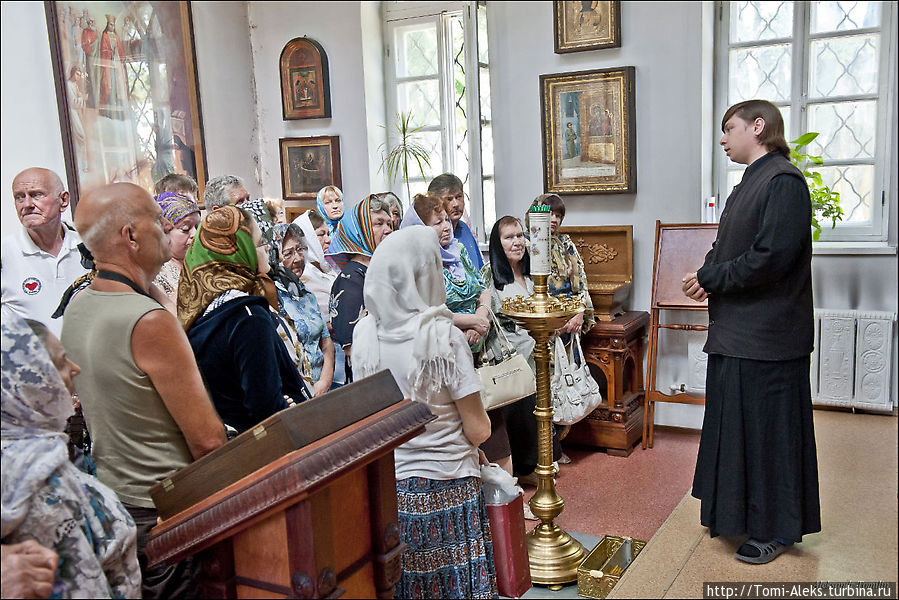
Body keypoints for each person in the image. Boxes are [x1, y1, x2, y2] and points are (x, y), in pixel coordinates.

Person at [61, 182, 227, 599]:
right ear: (130, 236)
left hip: (118, 501)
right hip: (166, 510)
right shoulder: (148, 321)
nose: (165, 229)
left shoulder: (80, 304)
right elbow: (207, 440)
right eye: (157, 220)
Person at [683, 99, 820, 565]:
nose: (723, 139)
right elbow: (726, 247)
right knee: (738, 429)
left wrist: (713, 278)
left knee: (769, 436)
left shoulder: (783, 181)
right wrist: (705, 273)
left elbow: (771, 258)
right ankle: (737, 514)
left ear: (758, 127)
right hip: (739, 335)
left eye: (730, 128)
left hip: (769, 339)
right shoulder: (749, 183)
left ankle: (774, 528)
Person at [352, 226, 497, 599]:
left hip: (394, 491)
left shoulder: (366, 335)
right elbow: (478, 430)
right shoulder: (442, 338)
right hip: (450, 485)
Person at [2, 315, 141, 598]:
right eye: (61, 363)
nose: (75, 369)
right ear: (34, 386)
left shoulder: (27, 456)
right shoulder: (40, 484)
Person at [178, 206, 310, 433]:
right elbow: (265, 406)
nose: (267, 248)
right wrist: (287, 404)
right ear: (238, 251)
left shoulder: (205, 308)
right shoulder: (247, 317)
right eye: (259, 243)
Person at [482, 217, 540, 494]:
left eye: (520, 236)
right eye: (509, 237)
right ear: (497, 243)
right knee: (514, 418)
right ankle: (516, 473)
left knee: (533, 415)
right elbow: (488, 317)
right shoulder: (490, 276)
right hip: (508, 359)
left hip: (535, 355)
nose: (517, 242)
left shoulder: (531, 275)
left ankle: (531, 467)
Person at [1, 168, 90, 338]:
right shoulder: (4, 255)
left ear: (63, 200)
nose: (27, 204)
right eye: (19, 197)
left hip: (90, 362)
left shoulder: (92, 250)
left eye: (36, 195)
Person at [326, 194, 393, 381]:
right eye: (379, 224)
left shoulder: (383, 269)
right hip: (372, 378)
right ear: (360, 231)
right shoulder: (350, 279)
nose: (387, 230)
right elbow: (353, 349)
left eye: (389, 224)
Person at [271, 223, 335, 396]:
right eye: (288, 253)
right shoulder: (271, 297)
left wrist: (324, 382)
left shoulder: (307, 294)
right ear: (274, 255)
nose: (298, 258)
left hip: (321, 389)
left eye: (300, 250)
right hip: (294, 393)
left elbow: (327, 343)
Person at [293, 209, 346, 386]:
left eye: (328, 234)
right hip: (324, 362)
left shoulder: (326, 268)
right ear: (306, 238)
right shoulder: (304, 275)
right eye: (321, 234)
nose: (328, 240)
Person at [151, 192, 200, 309]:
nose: (195, 234)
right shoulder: (156, 273)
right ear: (163, 232)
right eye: (185, 229)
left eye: (197, 227)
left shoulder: (204, 259)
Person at [428, 173, 484, 270]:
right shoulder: (432, 234)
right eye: (449, 199)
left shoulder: (464, 228)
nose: (456, 204)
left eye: (459, 197)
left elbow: (480, 269)